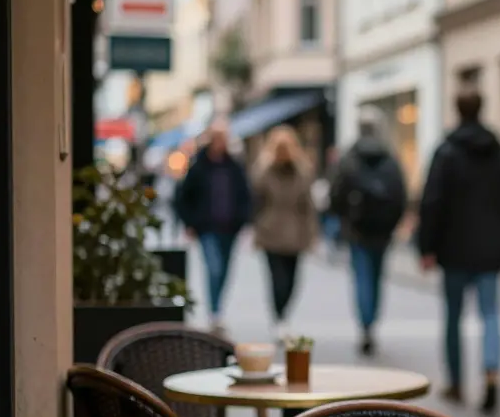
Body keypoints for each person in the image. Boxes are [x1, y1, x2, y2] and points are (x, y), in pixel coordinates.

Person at [417, 87, 500, 414]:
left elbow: (432, 202)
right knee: (490, 314)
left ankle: (456, 382)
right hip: (490, 248)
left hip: (454, 249)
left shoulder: (446, 152)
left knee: (453, 316)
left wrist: (427, 245)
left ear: (457, 109)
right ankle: (492, 375)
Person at [329, 115, 407, 356]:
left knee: (362, 277)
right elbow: (400, 195)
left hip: (358, 231)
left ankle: (366, 326)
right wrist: (392, 224)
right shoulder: (390, 158)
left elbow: (336, 194)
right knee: (376, 277)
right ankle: (372, 321)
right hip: (382, 232)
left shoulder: (350, 159)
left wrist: (345, 220)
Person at [174, 121, 252, 333]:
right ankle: (214, 312)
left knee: (225, 270)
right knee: (214, 268)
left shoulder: (233, 166)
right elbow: (182, 196)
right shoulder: (198, 165)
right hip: (207, 227)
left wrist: (243, 219)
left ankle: (217, 308)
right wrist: (190, 222)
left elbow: (244, 195)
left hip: (230, 227)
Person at [251, 126, 319, 340]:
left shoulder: (302, 170)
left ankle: (283, 315)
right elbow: (256, 200)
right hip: (271, 233)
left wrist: (312, 234)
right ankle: (279, 318)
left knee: (292, 281)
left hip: (295, 234)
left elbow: (308, 205)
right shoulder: (265, 169)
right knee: (277, 280)